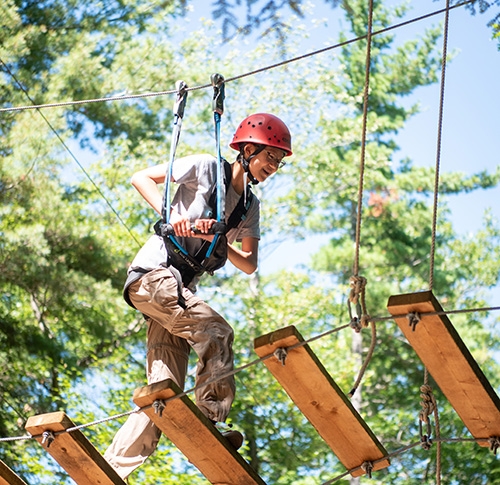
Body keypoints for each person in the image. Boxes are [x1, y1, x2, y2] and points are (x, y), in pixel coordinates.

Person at [104, 113, 292, 480]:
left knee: (164, 394)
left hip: (177, 292)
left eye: (278, 162)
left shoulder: (249, 207)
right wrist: (173, 221)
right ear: (248, 149)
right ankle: (209, 420)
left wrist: (218, 239)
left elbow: (250, 263)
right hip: (154, 276)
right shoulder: (206, 167)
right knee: (217, 332)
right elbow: (140, 177)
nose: (273, 166)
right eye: (270, 157)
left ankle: (111, 471)